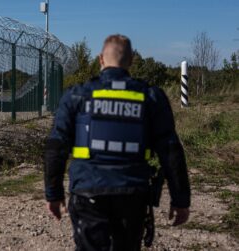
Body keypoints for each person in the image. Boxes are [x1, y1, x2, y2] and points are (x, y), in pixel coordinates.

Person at [44, 34, 191, 251]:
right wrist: (181, 199)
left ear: (100, 59)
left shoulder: (77, 96)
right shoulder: (151, 97)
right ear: (131, 60)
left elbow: (56, 147)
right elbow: (170, 151)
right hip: (132, 193)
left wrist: (53, 195)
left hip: (87, 191)